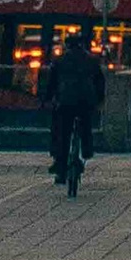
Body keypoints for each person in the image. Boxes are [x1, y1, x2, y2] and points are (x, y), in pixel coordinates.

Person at [47, 28, 105, 194]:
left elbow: (51, 82)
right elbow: (100, 82)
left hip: (65, 101)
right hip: (86, 101)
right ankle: (86, 149)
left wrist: (48, 98)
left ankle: (61, 170)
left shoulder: (60, 60)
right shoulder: (92, 60)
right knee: (85, 125)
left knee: (63, 133)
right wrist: (99, 100)